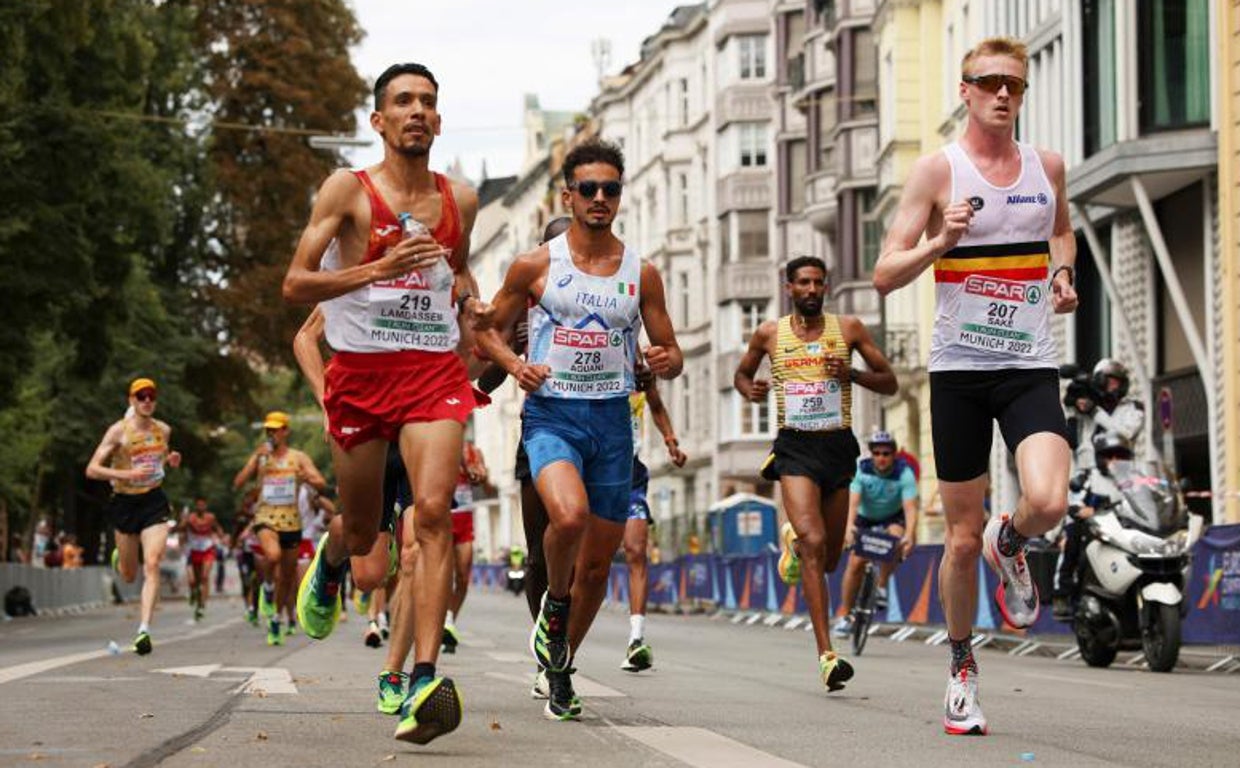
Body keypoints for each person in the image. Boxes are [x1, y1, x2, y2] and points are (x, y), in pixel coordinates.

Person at [873, 36, 1078, 735]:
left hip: (1027, 364)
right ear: (964, 91)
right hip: (959, 371)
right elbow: (884, 273)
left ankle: (1014, 540)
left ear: (1022, 94)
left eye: (1013, 85)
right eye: (988, 82)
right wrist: (939, 243)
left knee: (1048, 500)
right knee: (960, 542)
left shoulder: (1048, 166)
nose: (1002, 94)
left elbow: (1061, 232)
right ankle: (962, 670)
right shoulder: (938, 173)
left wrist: (1061, 274)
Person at [282, 62, 483, 745]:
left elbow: (457, 272)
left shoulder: (463, 198)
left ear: (438, 117)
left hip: (431, 373)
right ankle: (333, 559)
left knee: (431, 515)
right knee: (366, 534)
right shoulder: (349, 189)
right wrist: (375, 269)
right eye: (403, 101)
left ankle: (425, 677)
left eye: (428, 100)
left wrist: (471, 303)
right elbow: (295, 283)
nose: (417, 110)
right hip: (362, 377)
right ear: (379, 121)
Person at [474, 138, 682, 720]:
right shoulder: (536, 265)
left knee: (597, 564)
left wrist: (667, 359)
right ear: (569, 195)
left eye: (609, 189)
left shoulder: (643, 272)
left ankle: (561, 665)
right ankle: (554, 611)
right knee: (567, 518)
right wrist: (515, 366)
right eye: (587, 188)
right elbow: (487, 330)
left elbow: (670, 348)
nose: (598, 198)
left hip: (614, 423)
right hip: (554, 416)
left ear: (619, 196)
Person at [734, 256, 897, 693]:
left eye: (818, 283)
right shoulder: (769, 333)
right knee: (814, 540)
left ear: (825, 287)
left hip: (838, 445)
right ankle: (827, 655)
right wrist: (749, 390)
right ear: (789, 288)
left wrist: (853, 374)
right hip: (795, 446)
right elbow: (742, 374)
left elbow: (890, 382)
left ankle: (794, 542)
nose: (811, 290)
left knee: (829, 559)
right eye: (803, 283)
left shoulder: (849, 330)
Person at [85, 377, 182, 654]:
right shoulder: (118, 432)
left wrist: (171, 461)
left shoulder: (163, 430)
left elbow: (158, 462)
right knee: (129, 575)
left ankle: (144, 630)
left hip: (154, 501)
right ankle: (122, 557)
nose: (147, 401)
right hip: (124, 503)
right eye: (141, 396)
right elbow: (92, 469)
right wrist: (126, 474)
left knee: (152, 564)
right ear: (132, 400)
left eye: (151, 396)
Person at [1053, 359, 1143, 618]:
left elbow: (1124, 434)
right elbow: (1070, 437)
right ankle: (1063, 590)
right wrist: (1073, 402)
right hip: (1087, 475)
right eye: (1108, 380)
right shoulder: (1087, 405)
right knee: (1074, 530)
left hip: (1122, 477)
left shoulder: (1133, 407)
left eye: (1117, 380)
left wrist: (1094, 411)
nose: (1113, 385)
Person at [233, 411, 328, 646]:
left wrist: (307, 477)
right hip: (265, 518)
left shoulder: (298, 457)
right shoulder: (262, 457)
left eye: (276, 430)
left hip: (292, 523)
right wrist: (255, 458)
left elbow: (321, 482)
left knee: (286, 577)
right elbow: (238, 483)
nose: (272, 434)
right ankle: (266, 586)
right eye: (269, 430)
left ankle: (276, 619)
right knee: (272, 555)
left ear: (286, 431)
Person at [620, 380, 686, 672]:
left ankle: (636, 639)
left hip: (631, 473)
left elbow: (656, 405)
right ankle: (558, 638)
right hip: (592, 468)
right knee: (584, 562)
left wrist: (671, 440)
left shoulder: (638, 371)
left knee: (636, 551)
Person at [834, 431, 918, 636]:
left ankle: (881, 586)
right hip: (865, 516)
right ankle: (845, 615)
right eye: (877, 453)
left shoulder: (904, 473)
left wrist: (910, 535)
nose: (881, 457)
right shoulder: (861, 470)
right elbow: (852, 504)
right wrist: (848, 528)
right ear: (871, 454)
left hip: (892, 516)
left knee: (895, 540)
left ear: (893, 455)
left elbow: (910, 509)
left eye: (886, 453)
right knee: (855, 563)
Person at [442, 440, 486, 652]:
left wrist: (478, 475)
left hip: (465, 523)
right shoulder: (443, 447)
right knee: (445, 577)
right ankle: (439, 623)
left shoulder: (473, 452)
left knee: (462, 576)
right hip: (444, 521)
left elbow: (485, 482)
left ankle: (449, 621)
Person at [181, 498, 225, 622]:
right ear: (195, 506)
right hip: (194, 550)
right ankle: (195, 595)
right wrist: (184, 522)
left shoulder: (210, 517)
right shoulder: (190, 518)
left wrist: (222, 537)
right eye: (198, 505)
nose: (201, 507)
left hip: (207, 549)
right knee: (194, 580)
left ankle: (202, 605)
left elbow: (217, 528)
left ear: (206, 506)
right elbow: (181, 529)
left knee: (205, 577)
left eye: (203, 505)